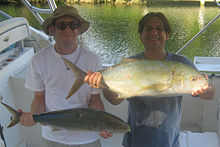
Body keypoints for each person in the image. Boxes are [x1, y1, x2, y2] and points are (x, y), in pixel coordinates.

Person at [84, 12, 215, 147]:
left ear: (167, 35)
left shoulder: (182, 63)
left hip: (168, 139)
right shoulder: (130, 64)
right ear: (141, 36)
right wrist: (102, 84)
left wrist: (206, 89)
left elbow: (210, 94)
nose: (154, 33)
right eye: (149, 29)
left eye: (159, 28)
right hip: (136, 138)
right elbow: (115, 101)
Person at [19, 5, 112, 147]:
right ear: (52, 29)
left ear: (78, 29)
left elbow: (95, 99)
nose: (68, 29)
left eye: (72, 25)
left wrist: (102, 126)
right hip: (52, 137)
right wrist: (33, 118)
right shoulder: (39, 60)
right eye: (62, 25)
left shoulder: (93, 59)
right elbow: (39, 98)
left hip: (87, 137)